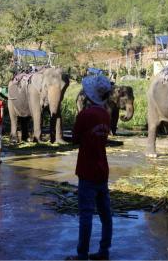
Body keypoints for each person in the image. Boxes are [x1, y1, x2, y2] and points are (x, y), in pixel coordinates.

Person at [68, 75, 113, 260]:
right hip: (102, 169)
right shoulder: (106, 115)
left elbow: (75, 139)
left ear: (89, 95)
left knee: (86, 215)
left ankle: (82, 254)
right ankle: (104, 251)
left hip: (87, 170)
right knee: (105, 214)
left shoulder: (85, 115)